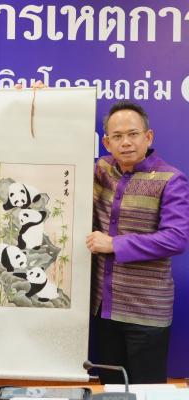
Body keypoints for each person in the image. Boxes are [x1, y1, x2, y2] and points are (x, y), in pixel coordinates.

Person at [86, 100, 189, 384]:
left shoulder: (171, 179)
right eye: (117, 136)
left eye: (133, 134)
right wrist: (38, 102)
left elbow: (176, 238)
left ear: (148, 136)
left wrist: (115, 244)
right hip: (104, 309)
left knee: (147, 391)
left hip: (146, 312)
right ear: (106, 142)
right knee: (111, 388)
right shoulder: (101, 169)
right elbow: (62, 168)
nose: (126, 142)